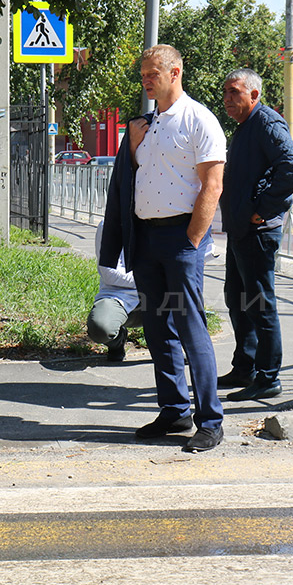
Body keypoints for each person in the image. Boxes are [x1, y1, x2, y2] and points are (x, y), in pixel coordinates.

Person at [100, 44, 227, 453]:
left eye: (153, 72)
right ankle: (175, 410)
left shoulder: (199, 120)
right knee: (157, 329)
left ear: (176, 72)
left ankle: (210, 420)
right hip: (147, 237)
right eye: (143, 74)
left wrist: (192, 239)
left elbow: (212, 185)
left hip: (180, 238)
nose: (146, 80)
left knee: (191, 327)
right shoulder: (144, 125)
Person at [216, 67, 293, 402]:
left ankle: (268, 377)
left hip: (257, 232)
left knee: (259, 304)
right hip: (241, 230)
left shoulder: (266, 122)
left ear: (254, 94)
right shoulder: (245, 127)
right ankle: (245, 367)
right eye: (225, 92)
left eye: (234, 92)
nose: (227, 99)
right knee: (239, 300)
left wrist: (263, 208)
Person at [87, 219, 141, 362]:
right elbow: (109, 274)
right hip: (118, 295)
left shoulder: (165, 220)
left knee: (185, 307)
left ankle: (180, 347)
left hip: (157, 293)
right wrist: (148, 280)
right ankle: (117, 342)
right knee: (100, 328)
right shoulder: (108, 225)